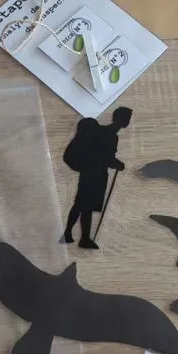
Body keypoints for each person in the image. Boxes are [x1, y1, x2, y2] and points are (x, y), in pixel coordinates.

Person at [62, 107, 132, 249]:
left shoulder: (111, 135)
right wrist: (117, 164)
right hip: (92, 174)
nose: (128, 121)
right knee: (83, 205)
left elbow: (106, 157)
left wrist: (114, 163)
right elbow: (104, 157)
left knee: (83, 205)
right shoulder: (107, 134)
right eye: (127, 118)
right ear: (119, 118)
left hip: (96, 174)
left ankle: (76, 235)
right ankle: (77, 236)